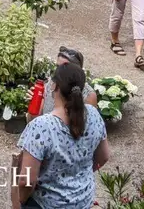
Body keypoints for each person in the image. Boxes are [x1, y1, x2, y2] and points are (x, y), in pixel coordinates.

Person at [12, 63, 111, 209]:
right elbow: (104, 157)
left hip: (47, 204)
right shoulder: (94, 114)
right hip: (84, 201)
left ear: (54, 86)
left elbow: (27, 181)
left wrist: (21, 201)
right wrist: (78, 175)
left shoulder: (41, 126)